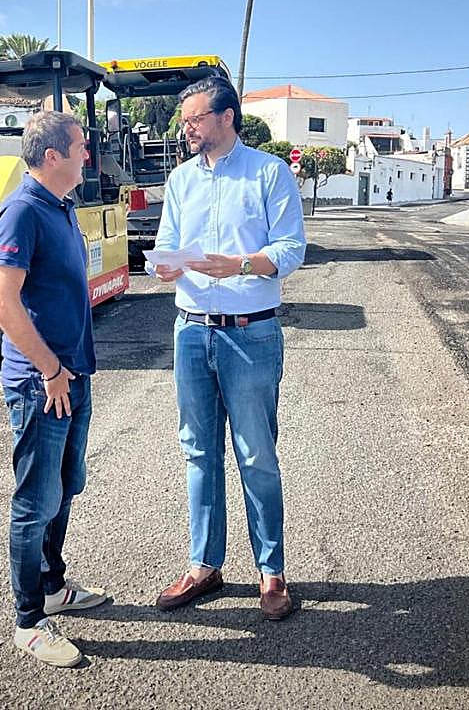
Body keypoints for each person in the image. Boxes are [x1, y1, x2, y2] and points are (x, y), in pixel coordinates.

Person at [151, 76, 306, 620]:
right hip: (191, 329)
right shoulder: (179, 180)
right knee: (198, 451)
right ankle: (205, 566)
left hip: (251, 332)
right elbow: (167, 243)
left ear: (226, 117)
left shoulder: (269, 172)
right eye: (185, 120)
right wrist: (167, 264)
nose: (186, 128)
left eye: (194, 118)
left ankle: (272, 573)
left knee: (257, 455)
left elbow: (291, 248)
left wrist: (238, 264)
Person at [0, 110, 107, 667]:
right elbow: (2, 303)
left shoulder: (62, 208)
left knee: (65, 489)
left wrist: (70, 370)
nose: (89, 153)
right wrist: (51, 371)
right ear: (53, 155)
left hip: (72, 376)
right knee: (35, 501)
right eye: (81, 146)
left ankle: (53, 587)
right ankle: (29, 621)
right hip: (43, 384)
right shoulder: (22, 211)